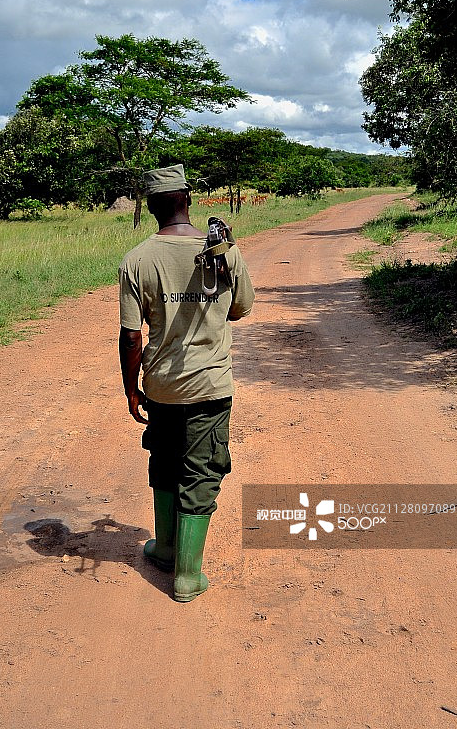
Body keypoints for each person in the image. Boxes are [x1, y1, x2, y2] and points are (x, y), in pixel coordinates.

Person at [118, 164, 255, 602]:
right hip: (208, 387)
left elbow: (131, 336)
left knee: (164, 461)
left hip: (161, 387)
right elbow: (241, 309)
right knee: (201, 471)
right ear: (189, 199)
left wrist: (131, 389)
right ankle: (187, 575)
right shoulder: (224, 251)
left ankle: (165, 548)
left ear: (151, 206)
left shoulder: (137, 259)